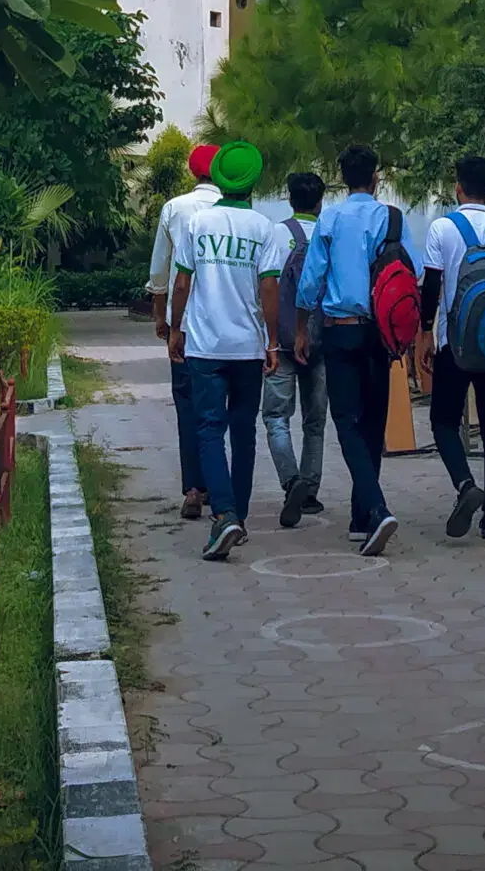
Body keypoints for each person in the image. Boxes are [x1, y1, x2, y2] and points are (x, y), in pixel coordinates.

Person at [167, 139, 288, 562]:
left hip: (205, 345)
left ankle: (225, 515)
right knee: (243, 431)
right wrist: (271, 341)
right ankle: (239, 515)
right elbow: (269, 288)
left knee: (208, 430)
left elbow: (181, 282)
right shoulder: (265, 229)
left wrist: (176, 329)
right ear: (253, 181)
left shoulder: (198, 225)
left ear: (218, 178)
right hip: (248, 348)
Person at [293, 143, 401, 556]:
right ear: (376, 177)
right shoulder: (391, 217)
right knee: (374, 421)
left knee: (346, 420)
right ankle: (362, 518)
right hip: (382, 334)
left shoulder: (331, 218)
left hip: (340, 331)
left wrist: (302, 328)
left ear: (342, 179)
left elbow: (312, 279)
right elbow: (403, 274)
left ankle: (375, 508)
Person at [417, 153, 485, 542]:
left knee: (444, 421)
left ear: (458, 188)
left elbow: (431, 286)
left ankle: (465, 485)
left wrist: (425, 333)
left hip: (453, 343)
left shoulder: (443, 228)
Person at [149, 141, 219, 518]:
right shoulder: (237, 211)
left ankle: (194, 487)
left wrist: (162, 319)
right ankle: (219, 485)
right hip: (226, 327)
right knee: (220, 407)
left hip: (186, 324)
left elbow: (162, 272)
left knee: (188, 405)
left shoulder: (175, 208)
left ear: (193, 173)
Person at [266, 171, 330, 528]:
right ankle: (310, 492)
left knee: (276, 417)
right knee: (315, 421)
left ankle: (291, 481)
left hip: (284, 340)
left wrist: (270, 338)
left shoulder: (276, 234)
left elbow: (267, 287)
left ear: (290, 200)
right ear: (320, 201)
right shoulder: (328, 233)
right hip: (320, 340)